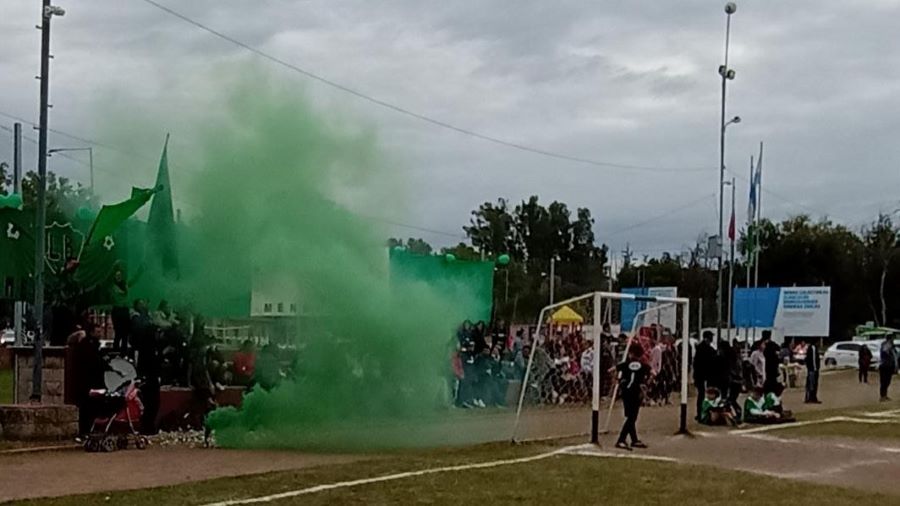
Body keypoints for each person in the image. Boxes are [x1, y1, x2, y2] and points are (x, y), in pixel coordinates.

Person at [70, 323, 106, 437]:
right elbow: (93, 364)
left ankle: (89, 430)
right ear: (91, 332)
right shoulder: (87, 346)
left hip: (92, 382)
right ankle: (85, 431)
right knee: (87, 407)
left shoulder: (93, 345)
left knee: (92, 407)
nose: (100, 334)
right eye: (98, 332)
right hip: (87, 382)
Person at [615, 344, 650, 451]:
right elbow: (653, 373)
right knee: (632, 417)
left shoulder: (625, 364)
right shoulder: (643, 365)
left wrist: (618, 381)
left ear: (630, 353)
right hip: (636, 392)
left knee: (630, 417)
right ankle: (621, 439)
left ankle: (634, 440)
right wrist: (646, 384)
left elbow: (612, 370)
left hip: (626, 392)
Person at [692, 331, 716, 421]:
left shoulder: (702, 348)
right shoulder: (705, 349)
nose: (712, 339)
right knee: (703, 395)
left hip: (703, 375)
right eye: (711, 337)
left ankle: (702, 413)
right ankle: (702, 413)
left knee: (703, 394)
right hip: (703, 375)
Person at [879, 335, 897, 402]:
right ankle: (882, 396)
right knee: (884, 381)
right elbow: (885, 350)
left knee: (887, 382)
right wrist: (890, 346)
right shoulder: (886, 345)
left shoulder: (892, 346)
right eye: (892, 339)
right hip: (884, 366)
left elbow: (895, 356)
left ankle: (885, 395)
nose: (893, 340)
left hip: (889, 366)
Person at [804, 339, 821, 403]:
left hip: (812, 369)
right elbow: (813, 359)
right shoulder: (813, 348)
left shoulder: (811, 348)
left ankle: (810, 398)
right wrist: (815, 368)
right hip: (813, 369)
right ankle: (811, 398)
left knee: (811, 384)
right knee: (812, 384)